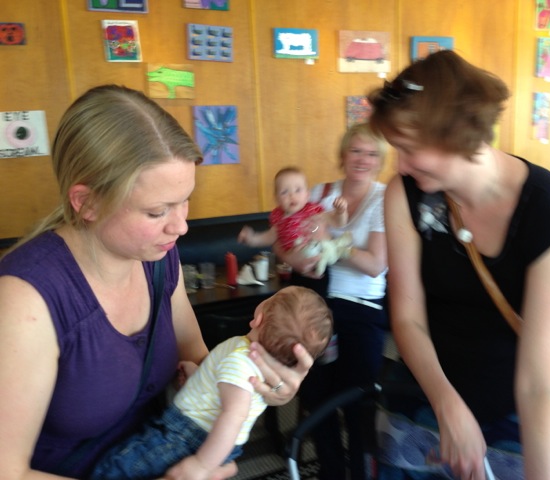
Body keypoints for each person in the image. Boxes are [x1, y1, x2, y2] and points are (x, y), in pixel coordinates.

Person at [0, 84, 313, 480]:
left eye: (185, 201)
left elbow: (199, 360)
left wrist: (263, 383)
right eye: (157, 211)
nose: (180, 226)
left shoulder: (159, 260)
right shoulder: (25, 298)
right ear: (87, 202)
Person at [367, 50, 550, 480]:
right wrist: (448, 405)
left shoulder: (546, 207)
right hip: (425, 397)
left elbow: (540, 382)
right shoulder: (406, 193)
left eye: (408, 149)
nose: (400, 165)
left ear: (456, 134)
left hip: (516, 416)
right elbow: (408, 318)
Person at [91, 286, 333, 480]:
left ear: (258, 318)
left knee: (120, 466)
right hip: (205, 437)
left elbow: (233, 416)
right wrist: (200, 376)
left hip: (190, 435)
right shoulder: (245, 356)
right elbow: (223, 388)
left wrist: (201, 465)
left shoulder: (240, 362)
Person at [275, 122, 389, 480]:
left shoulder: (385, 199)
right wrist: (294, 259)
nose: (363, 159)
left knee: (357, 401)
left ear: (380, 160)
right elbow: (283, 239)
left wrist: (334, 247)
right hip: (315, 306)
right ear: (342, 155)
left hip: (361, 310)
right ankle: (331, 472)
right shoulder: (319, 192)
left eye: (371, 153)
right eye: (356, 151)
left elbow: (375, 265)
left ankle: (361, 473)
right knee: (318, 397)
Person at [238, 166, 351, 275]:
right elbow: (269, 237)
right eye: (284, 192)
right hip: (292, 269)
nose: (292, 196)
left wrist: (340, 212)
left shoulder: (314, 211)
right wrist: (251, 239)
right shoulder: (279, 219)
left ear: (307, 195)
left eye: (298, 190)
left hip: (319, 265)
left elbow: (338, 223)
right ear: (277, 199)